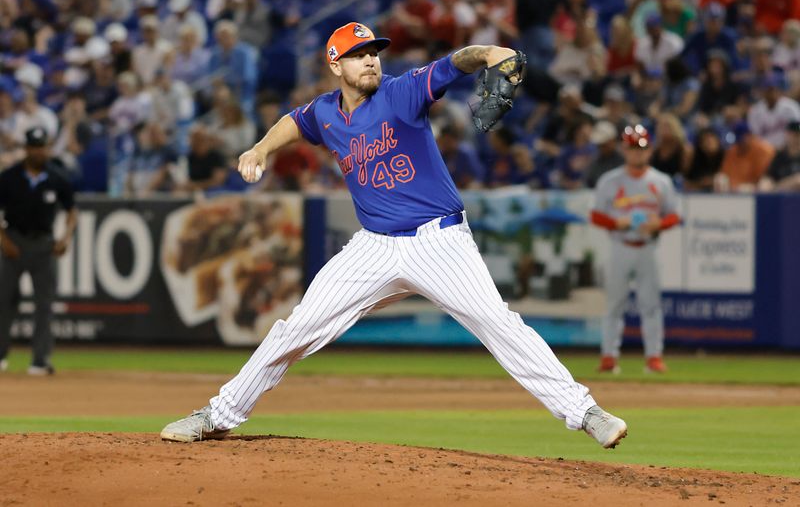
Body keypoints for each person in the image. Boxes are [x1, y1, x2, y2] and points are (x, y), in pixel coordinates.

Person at [160, 22, 628, 448]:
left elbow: (453, 63)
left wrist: (487, 53)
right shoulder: (325, 113)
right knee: (296, 328)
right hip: (375, 247)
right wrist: (260, 148)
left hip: (439, 242)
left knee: (499, 324)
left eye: (374, 52)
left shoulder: (402, 93)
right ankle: (217, 415)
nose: (370, 60)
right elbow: (293, 122)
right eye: (359, 53)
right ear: (335, 64)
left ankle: (586, 412)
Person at [590, 125, 681, 375]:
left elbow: (674, 216)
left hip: (648, 247)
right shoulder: (610, 180)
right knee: (614, 305)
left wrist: (659, 224)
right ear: (623, 149)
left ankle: (654, 357)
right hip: (620, 245)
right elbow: (596, 216)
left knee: (650, 305)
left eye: (641, 148)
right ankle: (609, 357)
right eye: (632, 148)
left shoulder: (660, 181)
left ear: (649, 150)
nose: (637, 153)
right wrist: (616, 222)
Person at [0, 127, 77, 375]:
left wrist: (65, 237)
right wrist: (3, 240)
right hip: (13, 241)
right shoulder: (9, 177)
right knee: (4, 301)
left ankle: (40, 360)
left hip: (44, 244)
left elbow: (72, 211)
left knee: (45, 303)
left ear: (47, 148)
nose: (38, 151)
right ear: (27, 149)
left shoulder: (57, 177)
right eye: (34, 147)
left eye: (42, 146)